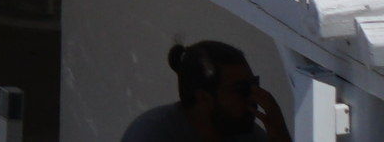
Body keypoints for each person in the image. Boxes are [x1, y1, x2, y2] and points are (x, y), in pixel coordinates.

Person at [121, 42, 293, 142]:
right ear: (203, 98)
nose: (254, 96)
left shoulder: (246, 134)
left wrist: (280, 136)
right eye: (242, 89)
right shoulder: (153, 133)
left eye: (254, 85)